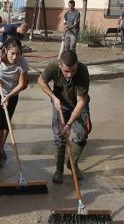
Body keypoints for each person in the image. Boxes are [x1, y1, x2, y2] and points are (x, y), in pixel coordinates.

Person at [37, 50, 91, 184]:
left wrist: (68, 124)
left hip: (78, 105)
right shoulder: (53, 67)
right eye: (66, 71)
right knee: (59, 136)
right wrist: (53, 97)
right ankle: (59, 170)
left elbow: (81, 101)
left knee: (82, 134)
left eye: (73, 70)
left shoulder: (82, 71)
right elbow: (41, 81)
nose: (70, 74)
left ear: (77, 65)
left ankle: (72, 164)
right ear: (60, 65)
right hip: (60, 104)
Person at [0, 38, 30, 167]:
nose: (15, 57)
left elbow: (21, 85)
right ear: (5, 51)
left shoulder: (23, 64)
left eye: (18, 53)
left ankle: (1, 147)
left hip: (13, 94)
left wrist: (9, 96)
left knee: (7, 123)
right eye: (12, 54)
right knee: (0, 121)